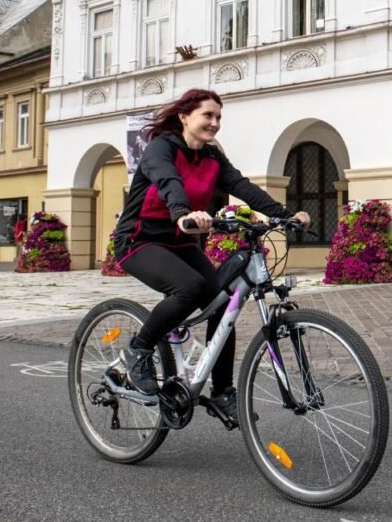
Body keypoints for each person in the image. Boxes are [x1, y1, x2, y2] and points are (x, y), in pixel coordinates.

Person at [112, 89, 311, 419]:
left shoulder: (212, 157)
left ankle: (221, 392)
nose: (215, 122)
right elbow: (168, 180)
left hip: (181, 243)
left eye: (219, 117)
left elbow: (241, 186)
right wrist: (181, 211)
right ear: (185, 117)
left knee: (221, 300)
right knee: (188, 288)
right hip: (140, 240)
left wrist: (283, 214)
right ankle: (138, 349)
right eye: (208, 115)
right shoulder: (162, 148)